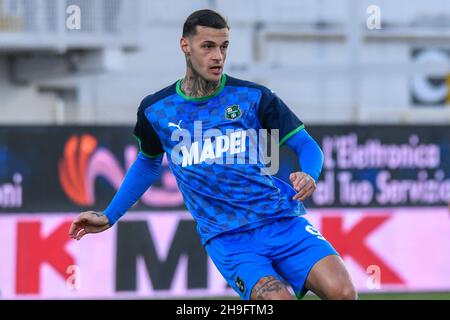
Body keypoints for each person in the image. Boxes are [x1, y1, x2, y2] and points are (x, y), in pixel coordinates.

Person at [69, 9, 357, 300]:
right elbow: (147, 164)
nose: (218, 56)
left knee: (343, 292)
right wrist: (109, 215)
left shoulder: (253, 97)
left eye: (224, 46)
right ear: (185, 46)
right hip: (229, 239)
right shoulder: (156, 110)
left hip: (282, 220)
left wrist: (309, 172)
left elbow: (307, 146)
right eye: (208, 46)